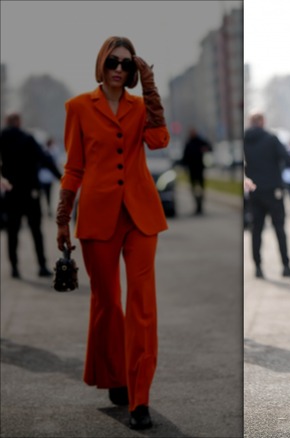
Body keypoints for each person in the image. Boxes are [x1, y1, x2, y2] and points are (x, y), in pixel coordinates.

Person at [54, 36, 168, 430]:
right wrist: (61, 218)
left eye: (127, 65)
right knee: (107, 304)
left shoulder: (140, 107)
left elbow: (159, 140)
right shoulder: (78, 108)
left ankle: (140, 398)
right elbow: (73, 168)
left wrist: (150, 86)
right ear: (102, 64)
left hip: (140, 217)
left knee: (142, 306)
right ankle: (115, 375)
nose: (119, 69)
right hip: (98, 220)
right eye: (113, 62)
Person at [244, 113, 290, 279]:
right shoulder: (271, 139)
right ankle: (285, 266)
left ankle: (258, 267)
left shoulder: (245, 140)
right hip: (273, 191)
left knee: (256, 230)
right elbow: (288, 159)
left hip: (254, 192)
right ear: (262, 122)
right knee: (279, 228)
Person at [0, 113, 62, 278]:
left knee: (13, 231)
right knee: (36, 231)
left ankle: (14, 268)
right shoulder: (28, 138)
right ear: (18, 122)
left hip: (11, 192)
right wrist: (62, 178)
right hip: (30, 192)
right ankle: (41, 266)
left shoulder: (2, 138)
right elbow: (45, 159)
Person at [181, 127, 212, 215]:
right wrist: (183, 166)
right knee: (194, 189)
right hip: (191, 170)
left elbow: (210, 147)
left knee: (201, 189)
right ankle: (197, 205)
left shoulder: (200, 141)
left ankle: (200, 205)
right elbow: (185, 156)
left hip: (199, 169)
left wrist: (205, 149)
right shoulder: (188, 143)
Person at [38, 138, 60, 217]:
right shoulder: (48, 154)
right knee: (47, 195)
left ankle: (45, 209)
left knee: (43, 195)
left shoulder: (45, 152)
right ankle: (47, 209)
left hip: (44, 178)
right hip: (46, 178)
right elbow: (53, 166)